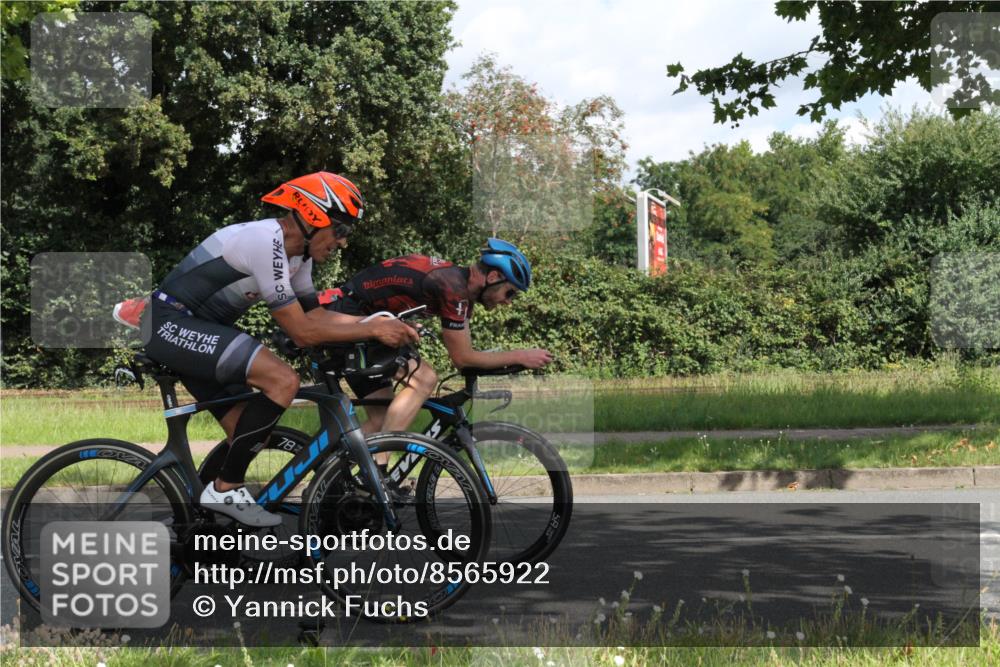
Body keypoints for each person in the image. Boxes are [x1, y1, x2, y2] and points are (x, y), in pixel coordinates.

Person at [133, 172, 418, 527]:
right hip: (170, 323)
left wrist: (376, 323)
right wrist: (372, 328)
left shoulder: (299, 256)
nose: (342, 242)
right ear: (314, 216)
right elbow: (301, 331)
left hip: (201, 330)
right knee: (283, 380)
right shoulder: (265, 241)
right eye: (341, 230)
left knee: (252, 434)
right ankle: (226, 488)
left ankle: (201, 524)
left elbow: (315, 314)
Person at [319, 239, 552, 471]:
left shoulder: (458, 288)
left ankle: (330, 473)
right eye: (509, 292)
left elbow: (466, 355)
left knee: (382, 419)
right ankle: (378, 473)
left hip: (362, 317)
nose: (508, 302)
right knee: (425, 379)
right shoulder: (453, 288)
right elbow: (463, 358)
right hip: (351, 317)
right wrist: (520, 356)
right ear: (493, 278)